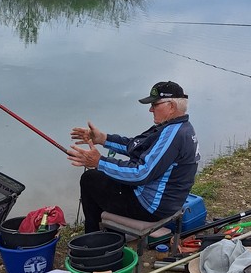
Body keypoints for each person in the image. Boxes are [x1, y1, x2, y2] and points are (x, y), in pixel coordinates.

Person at [67, 81, 200, 233]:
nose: (150, 109)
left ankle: (94, 239)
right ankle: (109, 235)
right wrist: (102, 138)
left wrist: (100, 162)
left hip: (151, 206)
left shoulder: (173, 135)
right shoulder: (178, 127)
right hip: (166, 201)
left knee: (90, 180)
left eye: (155, 105)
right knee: (104, 177)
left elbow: (141, 173)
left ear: (171, 107)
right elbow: (137, 146)